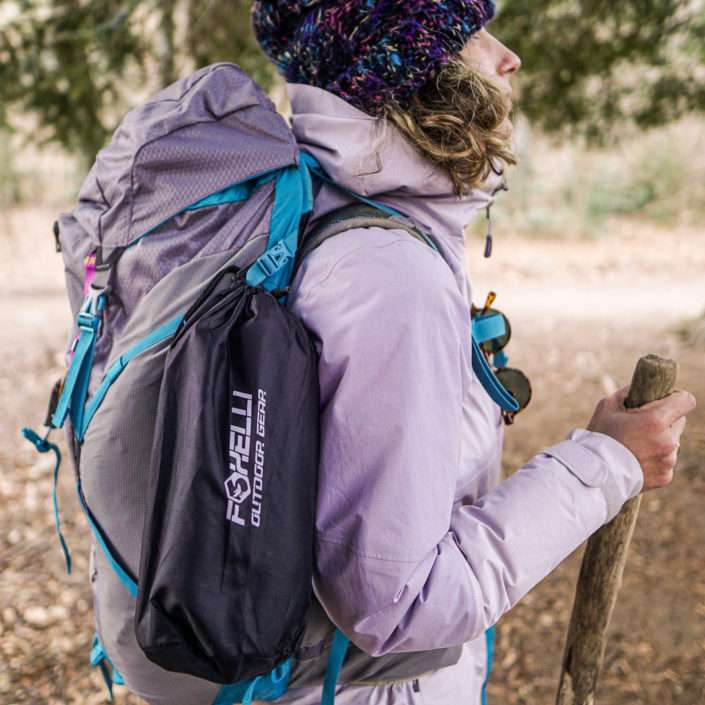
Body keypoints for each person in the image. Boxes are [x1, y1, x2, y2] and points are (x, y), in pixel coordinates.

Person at [249, 1, 697, 704]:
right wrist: (605, 462)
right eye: (470, 35)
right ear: (407, 68)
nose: (506, 56)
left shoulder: (330, 209)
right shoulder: (388, 275)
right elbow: (394, 603)